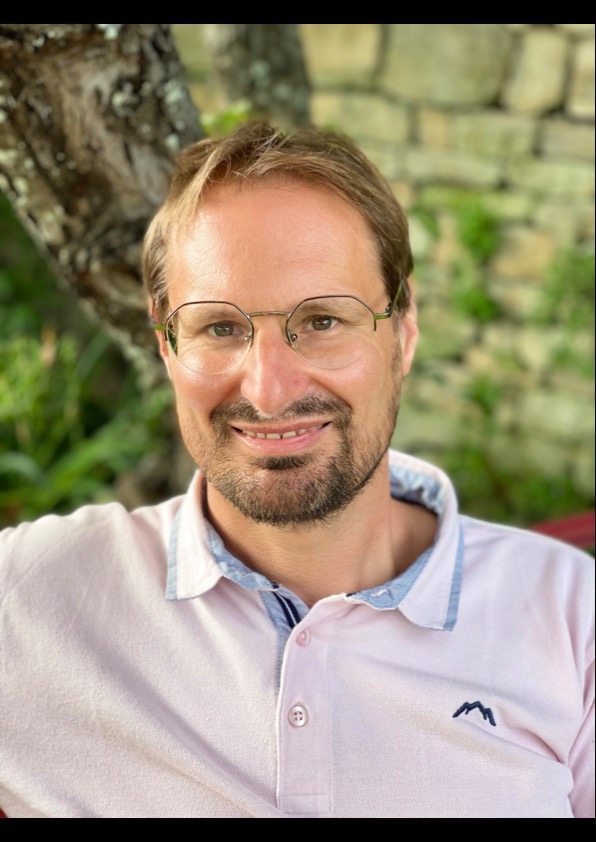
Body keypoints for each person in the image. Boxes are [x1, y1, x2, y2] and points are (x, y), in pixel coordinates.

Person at [0, 122, 593, 819]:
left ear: (402, 329)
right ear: (166, 340)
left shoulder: (572, 619)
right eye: (220, 326)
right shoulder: (35, 598)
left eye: (321, 321)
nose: (270, 388)